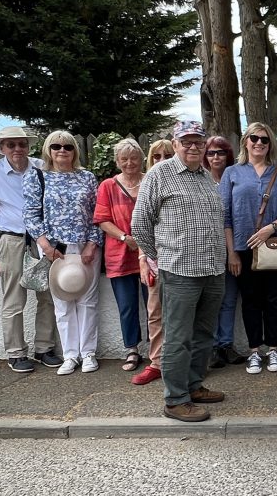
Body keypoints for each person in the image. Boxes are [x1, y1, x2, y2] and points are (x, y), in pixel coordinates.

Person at [130, 121, 227, 422]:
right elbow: (139, 224)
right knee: (178, 337)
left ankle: (193, 386)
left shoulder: (206, 176)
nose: (193, 147)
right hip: (180, 272)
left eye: (198, 141)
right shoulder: (160, 174)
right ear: (175, 145)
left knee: (203, 335)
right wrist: (159, 257)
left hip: (212, 269)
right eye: (187, 142)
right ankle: (175, 400)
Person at [0, 126, 62, 373]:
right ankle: (15, 353)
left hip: (43, 240)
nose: (17, 149)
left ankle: (44, 348)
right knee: (13, 299)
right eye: (11, 145)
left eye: (21, 144)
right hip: (12, 240)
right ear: (2, 148)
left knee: (48, 296)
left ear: (28, 146)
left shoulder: (42, 167)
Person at [24, 130, 103, 376]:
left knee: (87, 300)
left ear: (74, 151)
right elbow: (30, 213)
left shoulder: (87, 177)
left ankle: (88, 353)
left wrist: (92, 243)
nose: (62, 151)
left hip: (85, 245)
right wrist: (45, 245)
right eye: (56, 146)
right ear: (48, 150)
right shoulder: (37, 176)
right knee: (62, 301)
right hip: (55, 248)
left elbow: (98, 213)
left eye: (67, 147)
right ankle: (70, 355)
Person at [221, 123, 277, 375]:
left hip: (274, 247)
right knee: (250, 301)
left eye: (265, 140)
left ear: (270, 145)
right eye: (254, 138)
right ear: (246, 141)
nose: (259, 143)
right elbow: (225, 217)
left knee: (274, 300)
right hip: (242, 249)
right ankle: (254, 351)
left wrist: (270, 228)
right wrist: (231, 252)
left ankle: (273, 349)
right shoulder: (232, 173)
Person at [93, 138, 148, 372]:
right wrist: (126, 238)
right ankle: (132, 350)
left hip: (149, 254)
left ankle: (159, 349)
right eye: (124, 159)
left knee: (155, 304)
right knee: (127, 306)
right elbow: (102, 219)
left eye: (134, 158)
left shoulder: (150, 180)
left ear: (141, 158)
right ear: (117, 161)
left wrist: (143, 240)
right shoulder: (108, 186)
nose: (129, 163)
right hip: (120, 255)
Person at [128, 140, 173, 386]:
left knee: (182, 314)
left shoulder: (184, 181)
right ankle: (157, 363)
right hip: (155, 260)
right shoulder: (147, 184)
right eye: (156, 156)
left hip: (181, 260)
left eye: (167, 155)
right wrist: (143, 260)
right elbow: (140, 226)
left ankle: (183, 363)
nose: (162, 160)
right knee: (155, 313)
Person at [203, 136, 245, 368]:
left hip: (231, 247)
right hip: (206, 249)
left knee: (229, 299)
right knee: (210, 301)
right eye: (211, 153)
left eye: (220, 152)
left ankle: (226, 345)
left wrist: (233, 252)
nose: (216, 157)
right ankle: (210, 348)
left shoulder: (236, 177)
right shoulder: (199, 179)